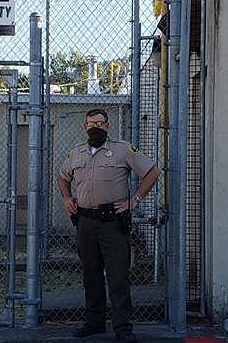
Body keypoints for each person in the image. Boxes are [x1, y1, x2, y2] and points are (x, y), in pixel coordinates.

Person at [58, 108, 160, 342]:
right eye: (91, 124)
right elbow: (63, 177)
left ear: (107, 125)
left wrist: (134, 200)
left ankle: (123, 328)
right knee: (90, 274)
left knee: (117, 276)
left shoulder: (123, 150)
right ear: (85, 127)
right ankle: (94, 323)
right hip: (85, 222)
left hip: (113, 224)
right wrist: (66, 197)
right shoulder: (76, 153)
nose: (95, 127)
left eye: (100, 123)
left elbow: (152, 172)